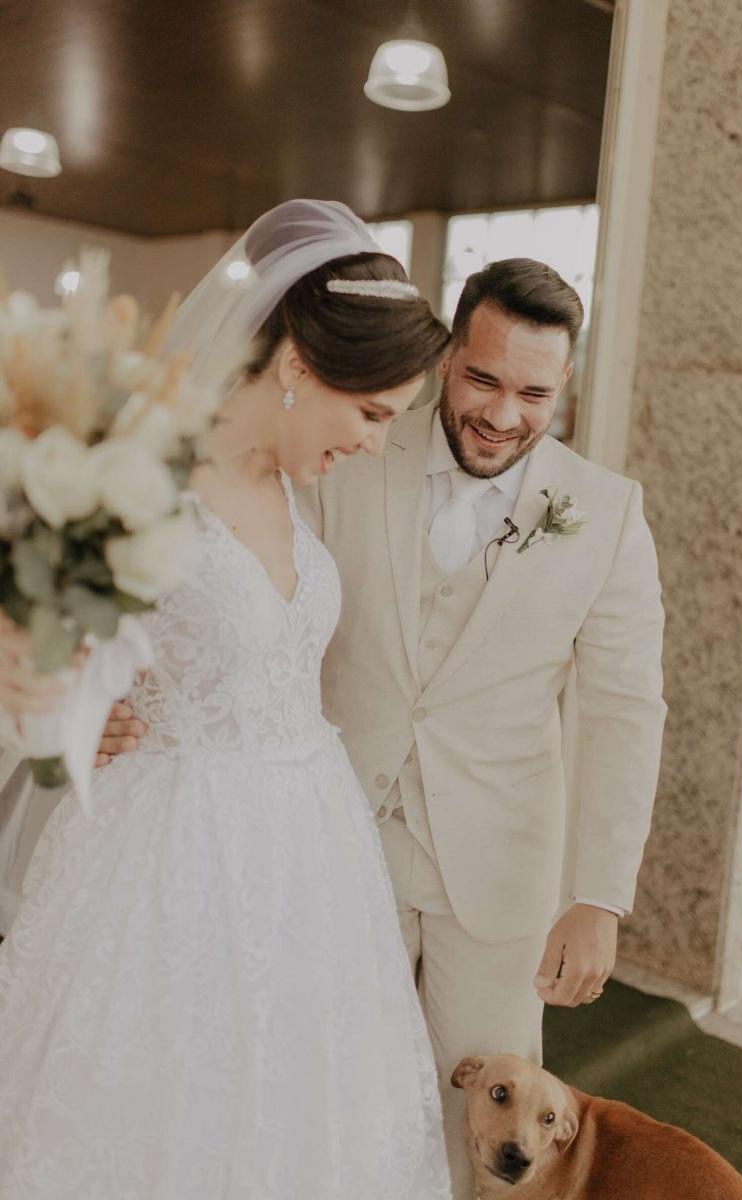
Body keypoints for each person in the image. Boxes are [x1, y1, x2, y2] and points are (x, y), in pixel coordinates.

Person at [98, 256, 667, 1199]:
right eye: (483, 378)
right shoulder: (348, 442)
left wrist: (601, 895)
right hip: (325, 842)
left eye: (534, 391)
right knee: (323, 1091)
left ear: (565, 384)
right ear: (448, 360)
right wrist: (123, 688)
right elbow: (234, 577)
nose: (502, 413)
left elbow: (624, 709)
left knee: (485, 1114)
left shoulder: (607, 514)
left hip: (497, 870)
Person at [0, 200, 452, 1199]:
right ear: (296, 367)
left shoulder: (295, 487)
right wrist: (65, 711)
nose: (377, 442)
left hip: (309, 863)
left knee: (301, 1119)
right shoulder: (141, 479)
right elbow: (31, 629)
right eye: (371, 411)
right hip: (169, 856)